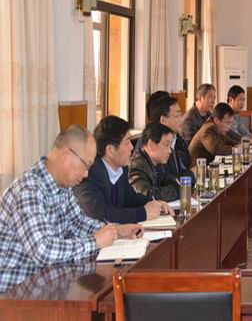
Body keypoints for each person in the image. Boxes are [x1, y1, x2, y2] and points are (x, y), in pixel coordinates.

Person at [0, 125, 142, 287]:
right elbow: (43, 251)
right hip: (15, 292)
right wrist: (94, 242)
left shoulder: (63, 185)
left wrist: (115, 231)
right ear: (66, 155)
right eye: (86, 165)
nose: (86, 174)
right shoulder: (29, 190)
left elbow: (77, 222)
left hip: (47, 283)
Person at [74, 116, 173, 224]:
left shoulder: (122, 168)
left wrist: (154, 203)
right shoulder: (89, 175)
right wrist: (143, 213)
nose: (131, 147)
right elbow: (101, 215)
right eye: (127, 142)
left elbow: (130, 198)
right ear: (110, 150)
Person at [147, 96, 194, 182]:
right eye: (177, 116)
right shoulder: (156, 146)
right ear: (163, 120)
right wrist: (192, 175)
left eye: (181, 115)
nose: (181, 120)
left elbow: (183, 167)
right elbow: (166, 183)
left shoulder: (174, 139)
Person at [130, 123, 181, 201]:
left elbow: (170, 180)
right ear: (151, 145)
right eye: (166, 145)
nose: (170, 151)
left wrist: (176, 187)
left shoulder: (154, 162)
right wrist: (175, 191)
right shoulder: (137, 167)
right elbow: (146, 196)